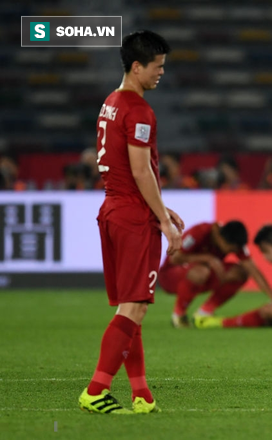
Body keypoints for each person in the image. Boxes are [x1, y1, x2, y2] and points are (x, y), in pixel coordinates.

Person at [79, 30, 184, 415]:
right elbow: (142, 172)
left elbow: (134, 173)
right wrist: (163, 220)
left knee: (131, 305)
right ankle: (96, 390)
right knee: (134, 307)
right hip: (133, 217)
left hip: (113, 209)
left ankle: (141, 394)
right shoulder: (139, 110)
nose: (161, 74)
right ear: (137, 67)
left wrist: (162, 207)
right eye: (156, 67)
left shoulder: (111, 102)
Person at [158, 220, 272, 329]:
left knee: (241, 272)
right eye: (231, 249)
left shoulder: (232, 240)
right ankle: (179, 315)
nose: (231, 252)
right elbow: (175, 258)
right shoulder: (200, 232)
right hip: (170, 276)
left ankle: (204, 313)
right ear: (221, 239)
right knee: (201, 271)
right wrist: (208, 258)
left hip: (202, 276)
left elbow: (253, 270)